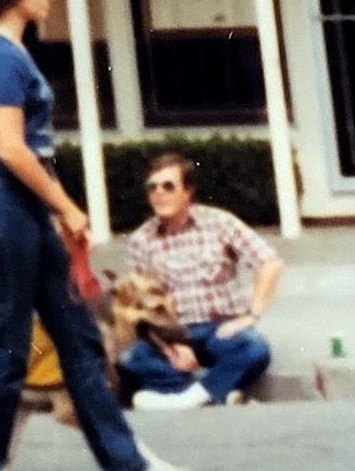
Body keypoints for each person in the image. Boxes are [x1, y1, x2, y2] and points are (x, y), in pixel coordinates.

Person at [0, 0, 193, 471]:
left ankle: (128, 468)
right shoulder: (2, 58)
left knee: (79, 335)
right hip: (5, 206)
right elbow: (11, 148)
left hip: (21, 210)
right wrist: (66, 205)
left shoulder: (8, 54)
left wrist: (54, 211)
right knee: (7, 345)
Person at [119, 153, 282, 410]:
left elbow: (270, 263)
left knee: (254, 349)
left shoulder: (219, 223)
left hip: (220, 330)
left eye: (168, 186)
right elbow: (141, 307)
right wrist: (168, 347)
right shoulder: (141, 240)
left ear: (188, 192)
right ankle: (214, 393)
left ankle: (184, 396)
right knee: (130, 359)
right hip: (172, 333)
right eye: (152, 187)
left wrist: (251, 315)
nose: (159, 193)